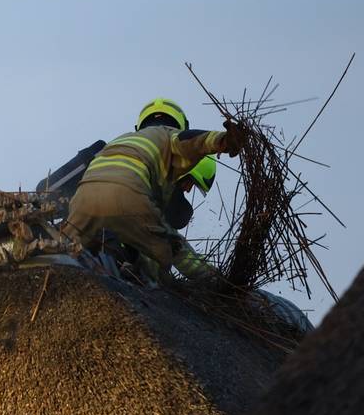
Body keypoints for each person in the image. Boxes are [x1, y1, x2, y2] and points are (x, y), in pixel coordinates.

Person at [62, 97, 243, 283]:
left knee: (65, 253)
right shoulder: (168, 135)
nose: (187, 190)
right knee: (162, 256)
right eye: (188, 182)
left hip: (82, 200)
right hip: (128, 195)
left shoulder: (120, 141)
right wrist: (224, 140)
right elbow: (192, 140)